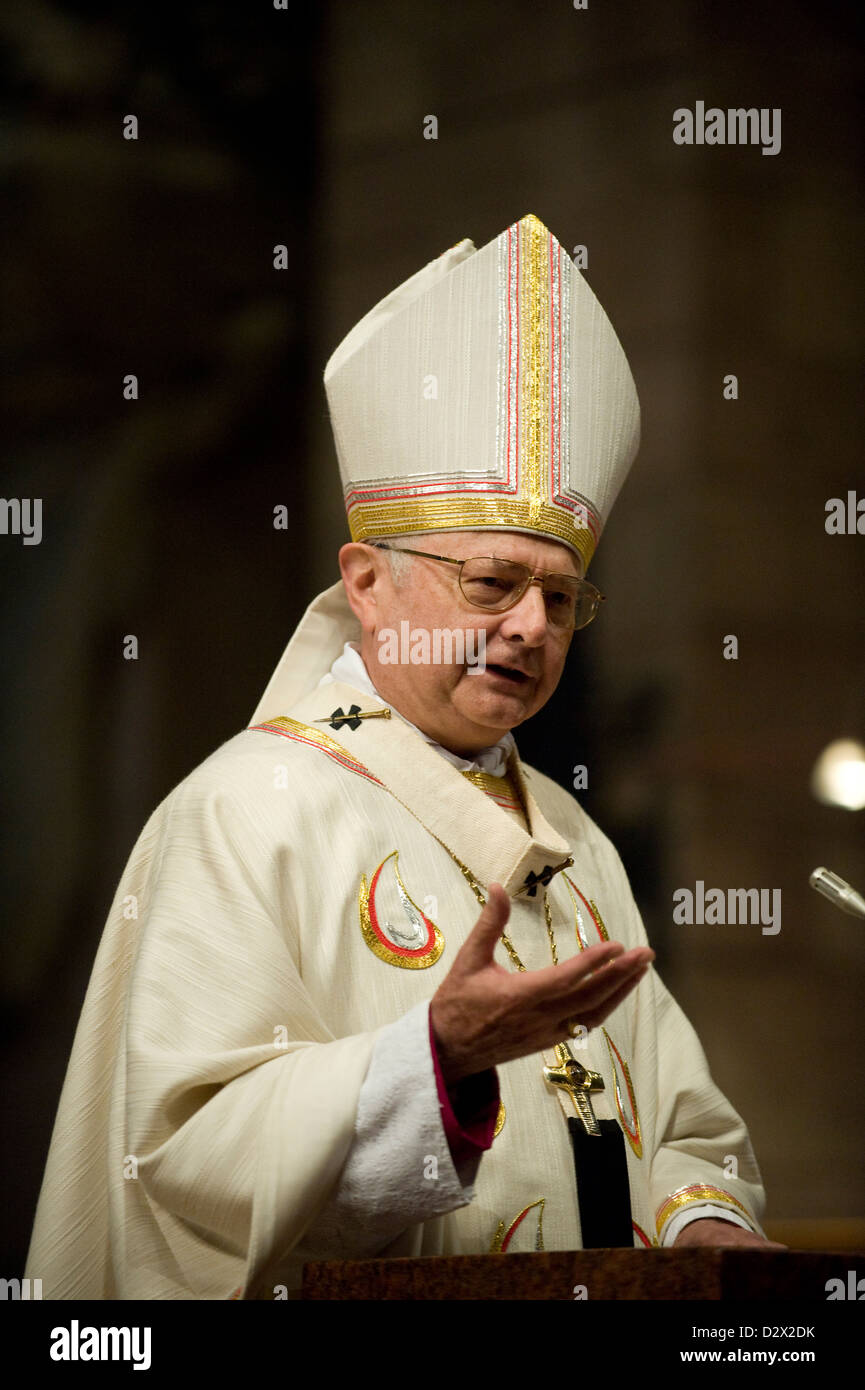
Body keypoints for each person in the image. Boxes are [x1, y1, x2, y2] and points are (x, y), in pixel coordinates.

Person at [26, 214, 780, 1300]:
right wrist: (430, 1063)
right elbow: (181, 1164)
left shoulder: (574, 846)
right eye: (490, 584)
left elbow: (678, 1125)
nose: (530, 625)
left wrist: (709, 1222)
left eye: (559, 597)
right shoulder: (249, 811)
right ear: (368, 585)